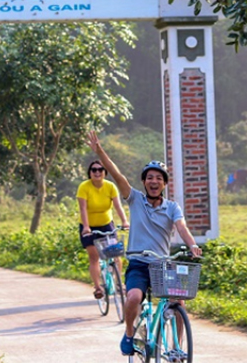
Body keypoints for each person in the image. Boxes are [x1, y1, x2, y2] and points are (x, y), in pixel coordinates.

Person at [85, 130, 202, 356]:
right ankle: (129, 333)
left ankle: (176, 347)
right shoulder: (135, 199)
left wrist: (192, 245)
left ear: (164, 184)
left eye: (159, 178)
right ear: (144, 181)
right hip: (138, 263)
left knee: (178, 301)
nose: (154, 181)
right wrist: (100, 152)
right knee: (134, 297)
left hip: (162, 265)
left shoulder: (172, 207)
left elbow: (181, 227)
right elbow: (118, 176)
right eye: (150, 177)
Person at [77, 160, 130, 299]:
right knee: (94, 257)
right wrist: (86, 227)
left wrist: (124, 221)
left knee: (116, 253)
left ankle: (118, 283)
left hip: (106, 224)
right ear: (90, 173)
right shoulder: (84, 187)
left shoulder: (110, 186)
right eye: (93, 170)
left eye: (100, 170)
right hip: (88, 225)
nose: (97, 172)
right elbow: (83, 208)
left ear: (105, 173)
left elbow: (118, 206)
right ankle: (98, 287)